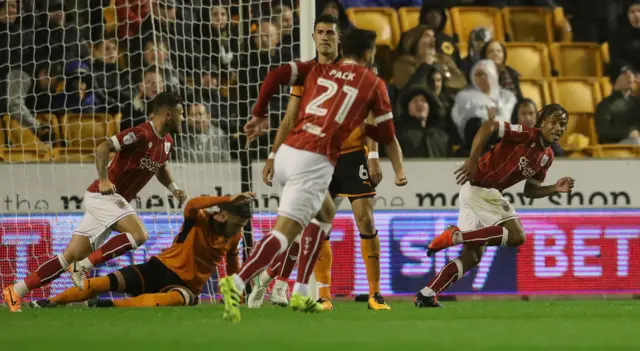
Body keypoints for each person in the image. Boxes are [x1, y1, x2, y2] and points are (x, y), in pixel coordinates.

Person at [220, 28, 407, 322]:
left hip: (289, 153)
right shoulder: (372, 83)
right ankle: (239, 282)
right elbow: (385, 133)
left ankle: (296, 291)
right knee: (286, 233)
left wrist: (258, 114)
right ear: (369, 54)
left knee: (322, 217)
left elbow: (274, 76)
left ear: (343, 50)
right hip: (312, 161)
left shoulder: (318, 70)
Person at [2, 92, 187, 313]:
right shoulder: (141, 133)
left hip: (112, 204)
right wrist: (103, 180)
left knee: (69, 256)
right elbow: (102, 147)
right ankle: (83, 267)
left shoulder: (167, 142)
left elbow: (161, 167)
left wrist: (174, 188)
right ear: (168, 115)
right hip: (103, 196)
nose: (183, 118)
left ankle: (16, 291)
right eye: (181, 114)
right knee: (140, 235)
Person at [414, 104, 575, 308]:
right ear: (542, 122)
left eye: (563, 124)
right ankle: (457, 236)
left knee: (472, 256)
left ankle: (427, 294)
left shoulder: (547, 157)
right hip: (483, 189)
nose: (558, 128)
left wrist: (554, 188)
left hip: (475, 192)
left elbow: (530, 191)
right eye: (553, 122)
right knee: (517, 236)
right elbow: (488, 126)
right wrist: (473, 161)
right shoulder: (526, 134)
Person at [28, 193, 254, 309]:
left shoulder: (234, 237)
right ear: (223, 215)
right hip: (159, 268)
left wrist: (239, 295)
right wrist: (226, 198)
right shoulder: (200, 219)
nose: (240, 228)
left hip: (186, 287)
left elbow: (233, 267)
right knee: (105, 282)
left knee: (177, 299)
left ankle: (106, 305)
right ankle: (52, 302)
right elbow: (192, 204)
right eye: (238, 223)